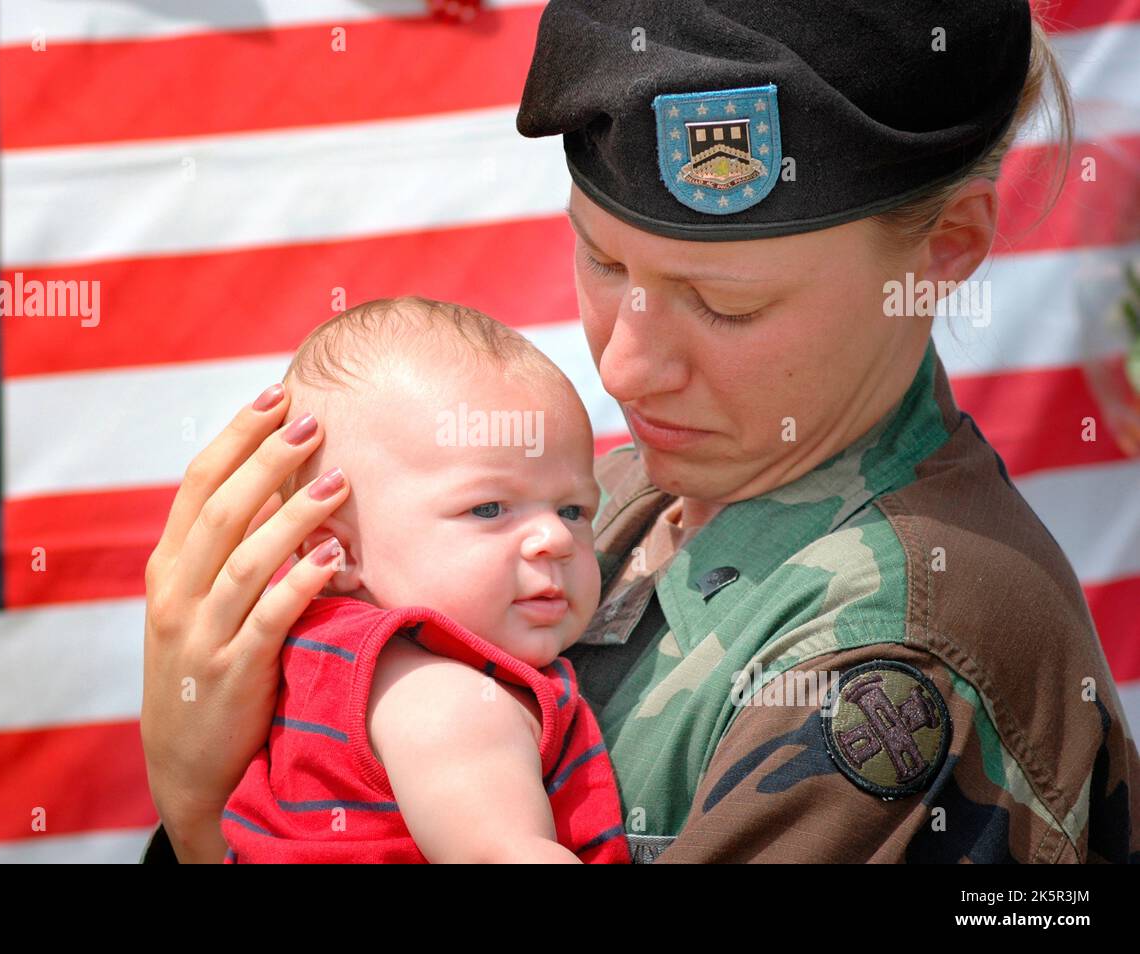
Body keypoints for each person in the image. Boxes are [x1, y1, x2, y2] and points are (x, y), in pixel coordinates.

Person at [140, 0, 1140, 863]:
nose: (624, 367)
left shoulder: (889, 661)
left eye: (725, 304)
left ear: (948, 248)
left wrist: (198, 814)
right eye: (603, 265)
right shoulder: (612, 500)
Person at [220, 296, 629, 863]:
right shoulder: (448, 697)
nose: (555, 540)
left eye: (574, 510)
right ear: (336, 552)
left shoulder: (321, 660)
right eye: (488, 509)